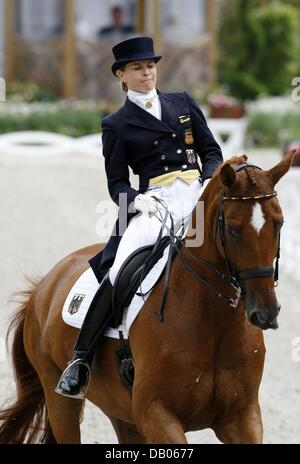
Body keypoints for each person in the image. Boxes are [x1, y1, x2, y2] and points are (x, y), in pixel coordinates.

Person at [55, 36, 223, 399]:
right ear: (121, 75)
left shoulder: (182, 102)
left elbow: (211, 151)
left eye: (150, 66)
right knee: (117, 271)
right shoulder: (116, 123)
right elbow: (116, 183)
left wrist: (210, 178)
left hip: (197, 194)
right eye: (137, 68)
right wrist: (136, 202)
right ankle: (80, 361)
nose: (146, 73)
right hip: (154, 202)